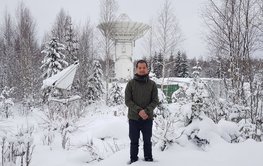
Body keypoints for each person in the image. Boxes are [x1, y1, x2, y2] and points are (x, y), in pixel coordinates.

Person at [125, 59, 159, 164]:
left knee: (147, 141)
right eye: (140, 68)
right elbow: (128, 101)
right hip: (134, 118)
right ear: (136, 69)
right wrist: (139, 111)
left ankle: (148, 159)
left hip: (147, 119)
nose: (142, 70)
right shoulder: (130, 84)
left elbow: (155, 100)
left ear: (147, 69)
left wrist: (146, 111)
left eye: (144, 68)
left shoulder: (152, 84)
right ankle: (133, 160)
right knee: (134, 141)